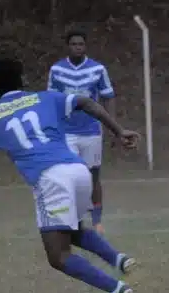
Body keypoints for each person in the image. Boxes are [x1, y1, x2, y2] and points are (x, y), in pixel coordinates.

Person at [0, 58, 140, 293]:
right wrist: (118, 131)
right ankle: (118, 259)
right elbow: (85, 102)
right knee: (71, 230)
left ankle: (115, 288)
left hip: (50, 178)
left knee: (58, 255)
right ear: (22, 80)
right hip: (78, 170)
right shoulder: (46, 97)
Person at [46, 29, 116, 234]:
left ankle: (97, 221)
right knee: (69, 176)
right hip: (67, 132)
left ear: (85, 46)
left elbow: (108, 96)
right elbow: (51, 101)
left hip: (92, 130)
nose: (78, 47)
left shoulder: (97, 69)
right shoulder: (57, 70)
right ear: (68, 46)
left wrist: (112, 125)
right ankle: (72, 219)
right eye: (74, 44)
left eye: (81, 44)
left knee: (93, 175)